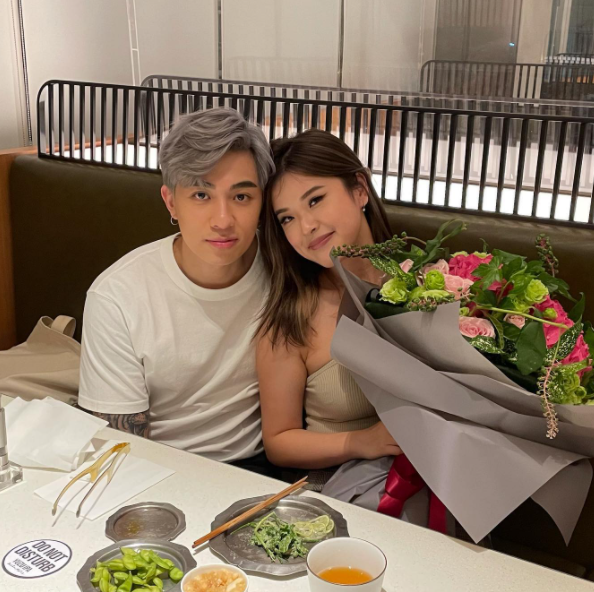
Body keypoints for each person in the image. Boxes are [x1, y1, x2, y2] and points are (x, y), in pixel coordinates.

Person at [78, 108, 275, 469]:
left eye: (241, 197)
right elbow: (121, 448)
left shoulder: (284, 269)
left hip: (264, 467)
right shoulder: (117, 296)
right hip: (159, 468)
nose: (223, 221)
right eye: (201, 195)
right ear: (171, 202)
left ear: (262, 201)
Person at [256, 129, 402, 487]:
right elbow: (279, 442)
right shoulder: (292, 318)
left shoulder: (430, 283)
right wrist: (360, 442)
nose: (306, 226)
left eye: (315, 200)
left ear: (360, 189)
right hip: (334, 491)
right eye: (287, 218)